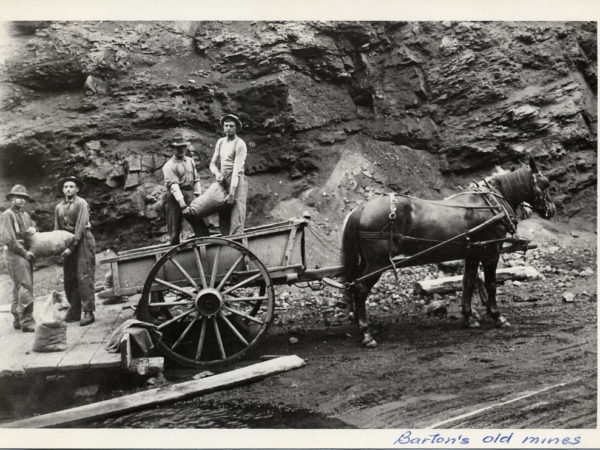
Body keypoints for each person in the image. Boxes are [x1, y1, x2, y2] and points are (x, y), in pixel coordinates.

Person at [54, 176, 96, 326]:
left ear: (77, 189)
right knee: (69, 277)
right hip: (67, 243)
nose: (68, 189)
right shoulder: (59, 207)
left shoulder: (81, 204)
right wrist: (58, 246)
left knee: (83, 275)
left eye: (71, 186)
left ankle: (88, 311)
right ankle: (74, 310)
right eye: (65, 187)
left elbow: (80, 227)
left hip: (83, 240)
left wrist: (71, 247)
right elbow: (57, 229)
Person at [162, 130, 210, 244]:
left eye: (183, 147)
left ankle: (205, 246)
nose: (181, 150)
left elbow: (196, 180)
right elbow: (174, 187)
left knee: (200, 223)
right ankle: (174, 251)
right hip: (174, 198)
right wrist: (183, 206)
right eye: (178, 147)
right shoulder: (169, 166)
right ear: (173, 149)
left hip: (190, 194)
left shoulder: (190, 161)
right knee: (174, 228)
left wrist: (198, 197)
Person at [0, 185, 36, 332]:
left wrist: (33, 230)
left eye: (23, 198)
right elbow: (9, 239)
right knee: (25, 285)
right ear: (11, 198)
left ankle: (17, 317)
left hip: (24, 252)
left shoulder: (25, 215)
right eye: (17, 197)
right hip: (14, 253)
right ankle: (27, 321)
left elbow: (32, 229)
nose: (20, 200)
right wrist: (24, 253)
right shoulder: (7, 214)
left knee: (18, 286)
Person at [209, 114, 248, 235]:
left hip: (236, 181)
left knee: (237, 215)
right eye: (226, 126)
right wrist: (217, 174)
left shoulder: (240, 144)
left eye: (231, 126)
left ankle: (237, 243)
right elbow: (212, 164)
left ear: (236, 128)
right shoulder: (220, 142)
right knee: (223, 213)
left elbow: (236, 169)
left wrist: (232, 193)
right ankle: (225, 245)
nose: (228, 128)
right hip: (223, 180)